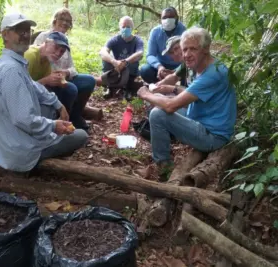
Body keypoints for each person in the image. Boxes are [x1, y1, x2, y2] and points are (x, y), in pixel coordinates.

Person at [0, 12, 88, 172]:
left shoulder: (12, 62)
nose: (25, 35)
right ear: (5, 35)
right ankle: (38, 163)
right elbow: (24, 119)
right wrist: (53, 126)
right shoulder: (11, 70)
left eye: (27, 31)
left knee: (51, 105)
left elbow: (33, 86)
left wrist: (58, 104)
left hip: (11, 141)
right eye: (19, 31)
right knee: (81, 135)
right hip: (20, 151)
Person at [137, 27, 236, 176]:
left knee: (158, 114)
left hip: (213, 136)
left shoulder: (213, 73)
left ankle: (163, 167)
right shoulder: (199, 65)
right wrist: (160, 92)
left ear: (205, 49)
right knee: (160, 103)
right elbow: (179, 91)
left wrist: (146, 94)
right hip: (201, 118)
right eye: (185, 50)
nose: (187, 54)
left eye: (193, 49)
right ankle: (164, 157)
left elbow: (171, 107)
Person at [32, 8, 95, 130]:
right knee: (71, 89)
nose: (65, 23)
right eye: (62, 19)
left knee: (89, 81)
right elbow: (36, 58)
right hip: (47, 78)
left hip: (63, 78)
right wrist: (50, 76)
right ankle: (62, 119)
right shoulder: (44, 37)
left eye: (68, 21)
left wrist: (66, 72)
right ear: (54, 21)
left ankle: (76, 115)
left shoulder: (65, 41)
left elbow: (72, 68)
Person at [25, 31, 90, 131]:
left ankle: (65, 120)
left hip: (35, 93)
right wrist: (46, 80)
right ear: (46, 43)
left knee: (69, 89)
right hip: (24, 101)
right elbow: (21, 89)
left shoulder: (46, 59)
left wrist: (57, 81)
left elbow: (43, 86)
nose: (58, 53)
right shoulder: (31, 56)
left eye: (62, 51)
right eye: (56, 47)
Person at [99, 16, 144, 100]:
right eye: (123, 27)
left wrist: (126, 61)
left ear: (132, 28)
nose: (125, 29)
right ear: (120, 27)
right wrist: (113, 61)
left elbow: (140, 53)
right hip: (117, 67)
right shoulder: (114, 39)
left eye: (128, 27)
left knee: (134, 60)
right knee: (106, 60)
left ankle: (128, 89)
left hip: (129, 68)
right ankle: (109, 87)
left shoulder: (137, 40)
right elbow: (102, 52)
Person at [140, 7, 186, 84]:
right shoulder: (155, 32)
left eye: (171, 17)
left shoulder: (183, 31)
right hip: (161, 65)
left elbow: (187, 55)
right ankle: (160, 84)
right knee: (145, 70)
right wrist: (159, 67)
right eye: (164, 17)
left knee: (190, 72)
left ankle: (183, 88)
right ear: (160, 20)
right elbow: (150, 55)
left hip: (178, 65)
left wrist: (176, 71)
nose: (167, 20)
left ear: (177, 18)